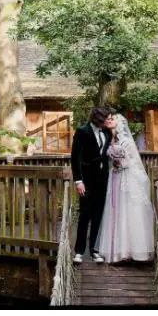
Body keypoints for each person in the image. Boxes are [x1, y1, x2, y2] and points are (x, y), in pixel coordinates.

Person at [94, 113, 155, 263]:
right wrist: (113, 164)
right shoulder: (109, 139)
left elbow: (132, 159)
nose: (109, 120)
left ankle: (133, 251)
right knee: (115, 210)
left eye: (112, 119)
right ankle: (117, 252)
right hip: (114, 176)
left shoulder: (126, 140)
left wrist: (122, 163)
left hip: (127, 177)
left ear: (119, 123)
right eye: (108, 119)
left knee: (128, 210)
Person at [70, 106, 115, 264]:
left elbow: (105, 153)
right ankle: (79, 251)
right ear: (99, 119)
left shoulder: (107, 132)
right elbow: (75, 157)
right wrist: (78, 180)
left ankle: (94, 250)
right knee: (85, 214)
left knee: (98, 215)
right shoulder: (82, 131)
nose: (109, 121)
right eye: (107, 118)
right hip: (86, 180)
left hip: (102, 179)